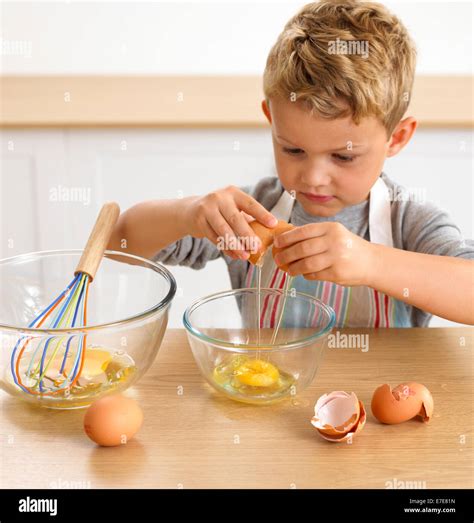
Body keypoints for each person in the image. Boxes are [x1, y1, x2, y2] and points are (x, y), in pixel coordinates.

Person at [108, 1, 474, 327]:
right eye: (293, 150)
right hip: (268, 397)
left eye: (344, 156)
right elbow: (118, 242)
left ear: (396, 138)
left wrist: (372, 264)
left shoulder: (408, 221)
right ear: (271, 119)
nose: (313, 178)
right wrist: (186, 213)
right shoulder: (254, 214)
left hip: (374, 401)